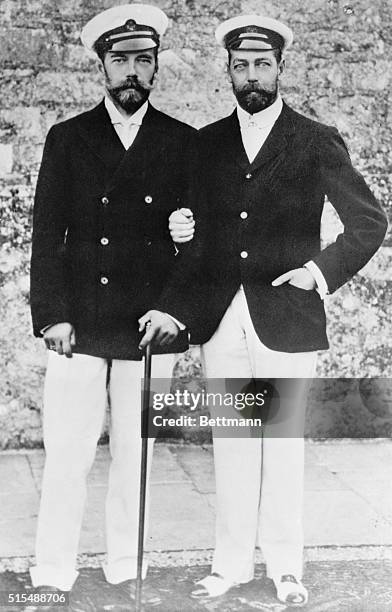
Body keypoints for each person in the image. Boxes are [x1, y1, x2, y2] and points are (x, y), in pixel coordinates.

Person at [169, 13, 388, 606]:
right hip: (222, 318)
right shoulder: (205, 142)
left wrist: (318, 273)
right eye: (240, 66)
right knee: (233, 444)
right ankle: (231, 564)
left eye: (262, 64)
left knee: (283, 445)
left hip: (286, 318)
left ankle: (287, 567)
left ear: (280, 68)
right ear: (229, 73)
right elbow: (193, 226)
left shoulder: (314, 138)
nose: (251, 75)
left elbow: (369, 222)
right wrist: (180, 226)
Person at [29, 3, 199, 599]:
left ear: (156, 69)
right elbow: (47, 233)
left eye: (143, 61)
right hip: (79, 320)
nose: (132, 71)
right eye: (120, 59)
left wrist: (175, 309)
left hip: (149, 322)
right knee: (68, 452)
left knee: (138, 454)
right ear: (102, 66)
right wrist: (52, 315)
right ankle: (52, 569)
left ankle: (126, 565)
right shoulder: (68, 138)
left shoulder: (183, 142)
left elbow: (200, 242)